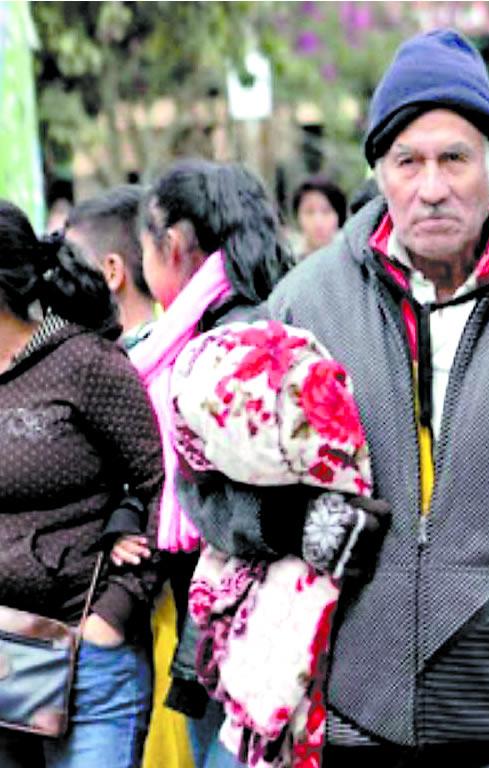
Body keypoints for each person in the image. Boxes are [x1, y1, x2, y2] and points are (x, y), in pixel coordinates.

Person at [180, 29, 489, 768]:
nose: (431, 186)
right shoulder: (308, 303)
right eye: (407, 161)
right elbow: (203, 478)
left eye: (454, 159)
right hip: (352, 718)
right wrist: (287, 519)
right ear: (378, 170)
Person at [127, 160, 293, 768]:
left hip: (238, 619)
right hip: (226, 612)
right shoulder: (225, 326)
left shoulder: (225, 344)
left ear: (169, 245)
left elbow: (254, 501)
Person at [0, 200, 163, 767]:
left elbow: (162, 483)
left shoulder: (83, 362)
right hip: (5, 655)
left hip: (84, 652)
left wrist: (115, 611)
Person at [64, 185, 157, 350]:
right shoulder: (182, 353)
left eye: (73, 263)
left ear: (112, 271)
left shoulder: (101, 368)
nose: (62, 278)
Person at [291, 176, 347, 257]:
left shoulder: (351, 258)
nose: (318, 221)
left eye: (326, 211)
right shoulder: (290, 262)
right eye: (309, 212)